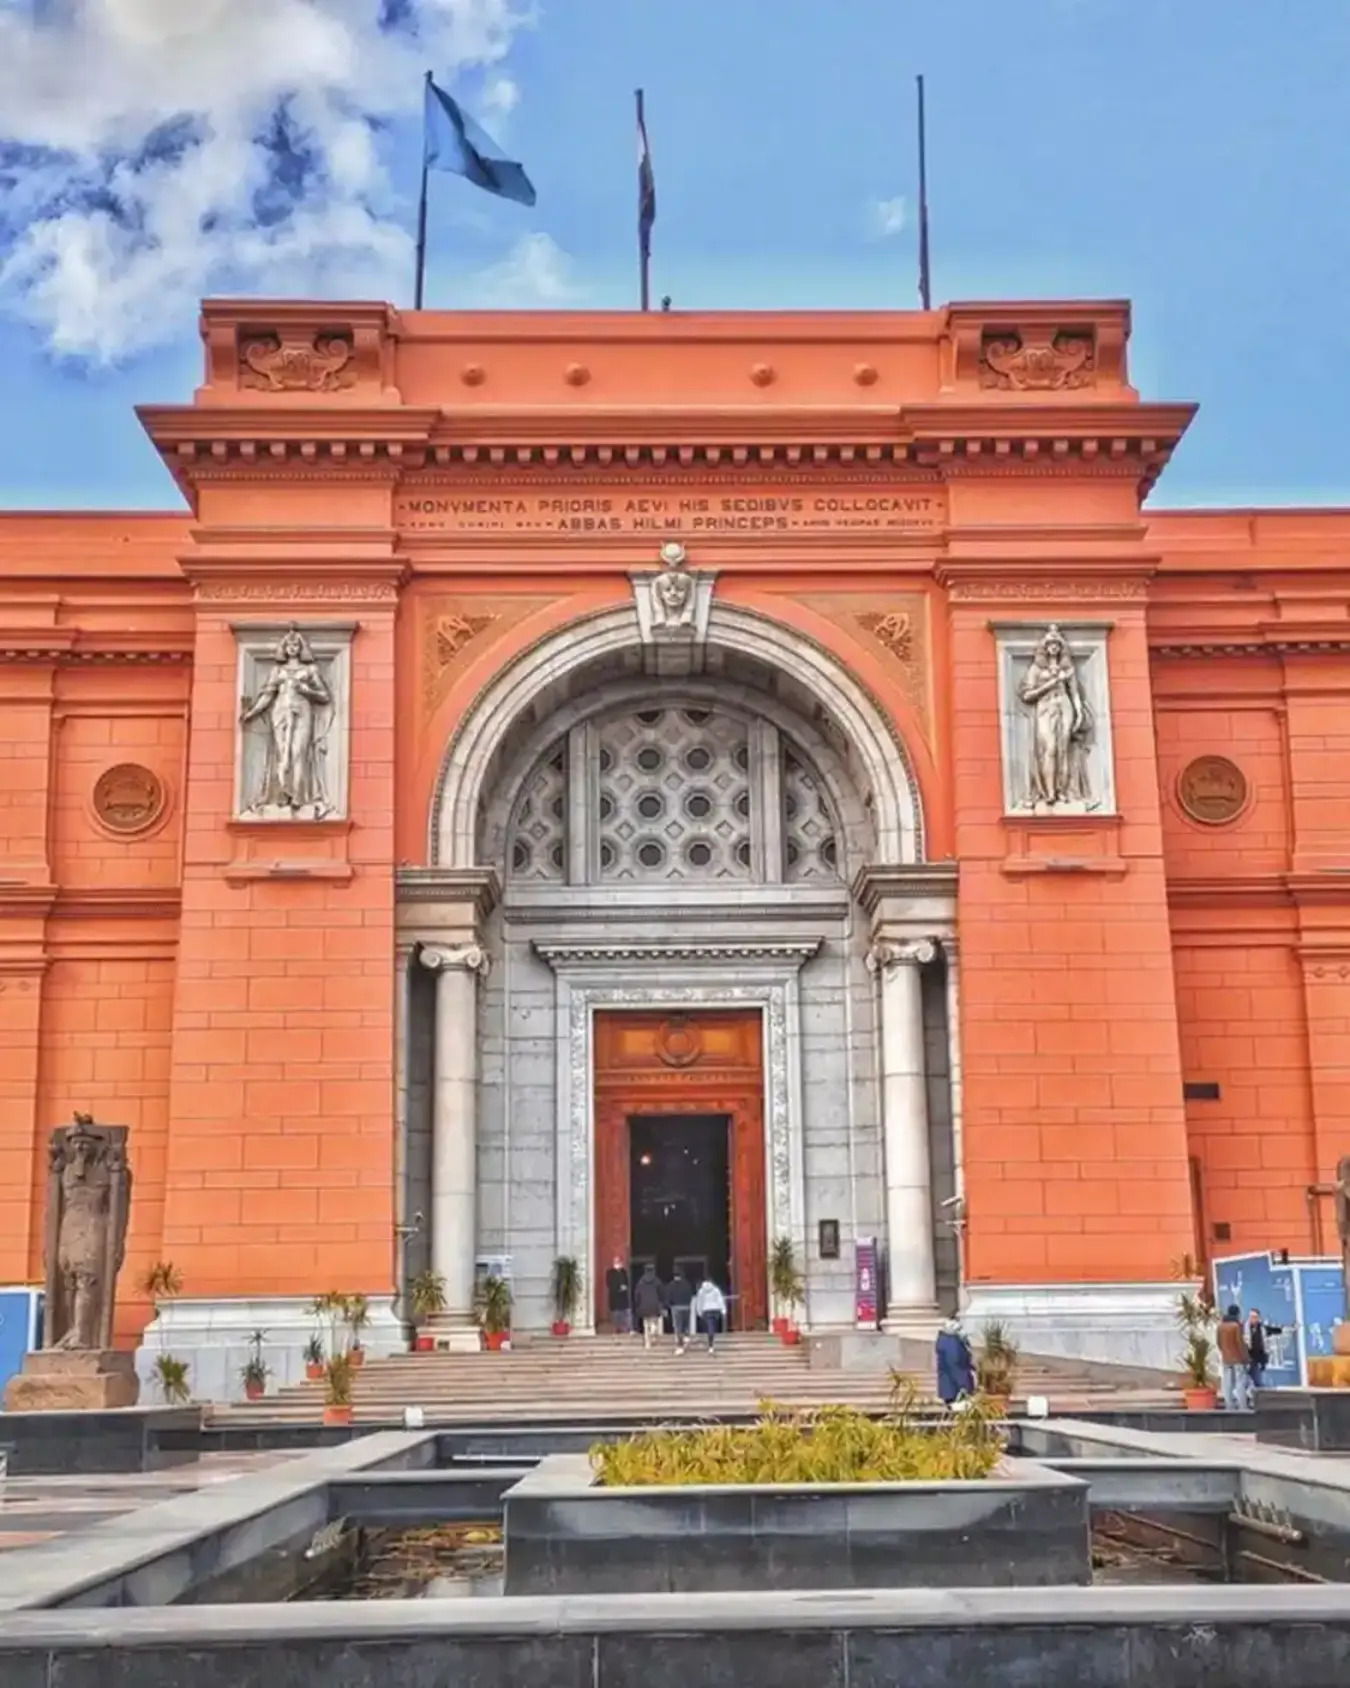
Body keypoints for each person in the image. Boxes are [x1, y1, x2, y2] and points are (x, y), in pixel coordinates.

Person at [1216, 1303, 1252, 1410]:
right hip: (1238, 1359)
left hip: (1226, 1359)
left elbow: (1219, 1343)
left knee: (1227, 1383)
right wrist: (1246, 1358)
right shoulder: (1236, 1326)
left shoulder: (1220, 1326)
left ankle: (1229, 1405)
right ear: (1237, 1313)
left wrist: (1224, 1352)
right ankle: (1242, 1406)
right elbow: (1240, 1343)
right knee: (1240, 1382)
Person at [934, 1318, 975, 1409]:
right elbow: (956, 1364)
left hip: (950, 1387)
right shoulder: (953, 1341)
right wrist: (964, 1386)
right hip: (956, 1389)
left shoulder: (943, 1339)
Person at [1246, 1307, 1286, 1394]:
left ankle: (1260, 1395)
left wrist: (1283, 1329)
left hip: (1259, 1357)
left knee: (1258, 1380)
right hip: (1248, 1357)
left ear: (1258, 1318)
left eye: (1254, 1317)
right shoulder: (1245, 1328)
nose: (1252, 1319)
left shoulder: (1262, 1328)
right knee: (1247, 1380)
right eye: (1251, 1317)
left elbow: (1274, 1330)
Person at [633, 1263, 666, 1351]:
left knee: (646, 1325)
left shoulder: (640, 1282)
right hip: (654, 1306)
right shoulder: (657, 1281)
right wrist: (661, 1303)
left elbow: (637, 1295)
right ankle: (653, 1333)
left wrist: (638, 1304)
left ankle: (648, 1343)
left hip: (643, 1307)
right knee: (654, 1322)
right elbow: (662, 1294)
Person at [693, 1275, 727, 1353]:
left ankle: (710, 1344)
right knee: (713, 1326)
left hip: (706, 1310)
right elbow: (720, 1299)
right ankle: (711, 1341)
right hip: (715, 1309)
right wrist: (723, 1310)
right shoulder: (716, 1290)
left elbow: (699, 1301)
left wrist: (699, 1311)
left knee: (709, 1326)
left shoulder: (701, 1291)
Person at [666, 1267, 694, 1353]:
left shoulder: (671, 1285)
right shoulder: (687, 1284)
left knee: (678, 1327)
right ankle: (686, 1337)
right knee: (686, 1325)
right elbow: (690, 1294)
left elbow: (668, 1297)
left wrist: (669, 1305)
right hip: (686, 1307)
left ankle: (680, 1346)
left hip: (676, 1307)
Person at [605, 1256, 631, 1337]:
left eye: (619, 1261)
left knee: (626, 1315)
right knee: (616, 1317)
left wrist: (624, 1287)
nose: (618, 1263)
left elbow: (627, 1282)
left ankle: (626, 1330)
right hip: (615, 1299)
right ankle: (617, 1330)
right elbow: (609, 1284)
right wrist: (619, 1288)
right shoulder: (610, 1273)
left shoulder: (624, 1272)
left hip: (624, 1299)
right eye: (616, 1261)